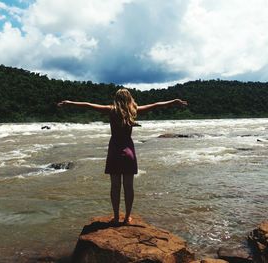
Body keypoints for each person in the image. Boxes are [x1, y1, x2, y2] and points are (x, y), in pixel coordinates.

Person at [57, 88, 188, 225]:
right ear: (129, 98)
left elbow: (88, 105)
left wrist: (69, 102)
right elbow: (156, 105)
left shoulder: (111, 109)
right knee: (128, 187)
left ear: (116, 98)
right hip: (128, 152)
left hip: (114, 151)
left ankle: (115, 217)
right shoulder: (134, 110)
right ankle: (127, 218)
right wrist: (174, 101)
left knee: (115, 186)